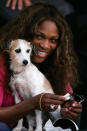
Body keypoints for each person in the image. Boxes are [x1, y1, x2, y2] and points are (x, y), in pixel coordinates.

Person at [0, 2, 82, 131]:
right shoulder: (3, 63)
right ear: (25, 33)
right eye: (39, 36)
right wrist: (33, 103)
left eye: (53, 40)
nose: (45, 45)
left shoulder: (57, 65)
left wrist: (69, 110)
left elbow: (63, 105)